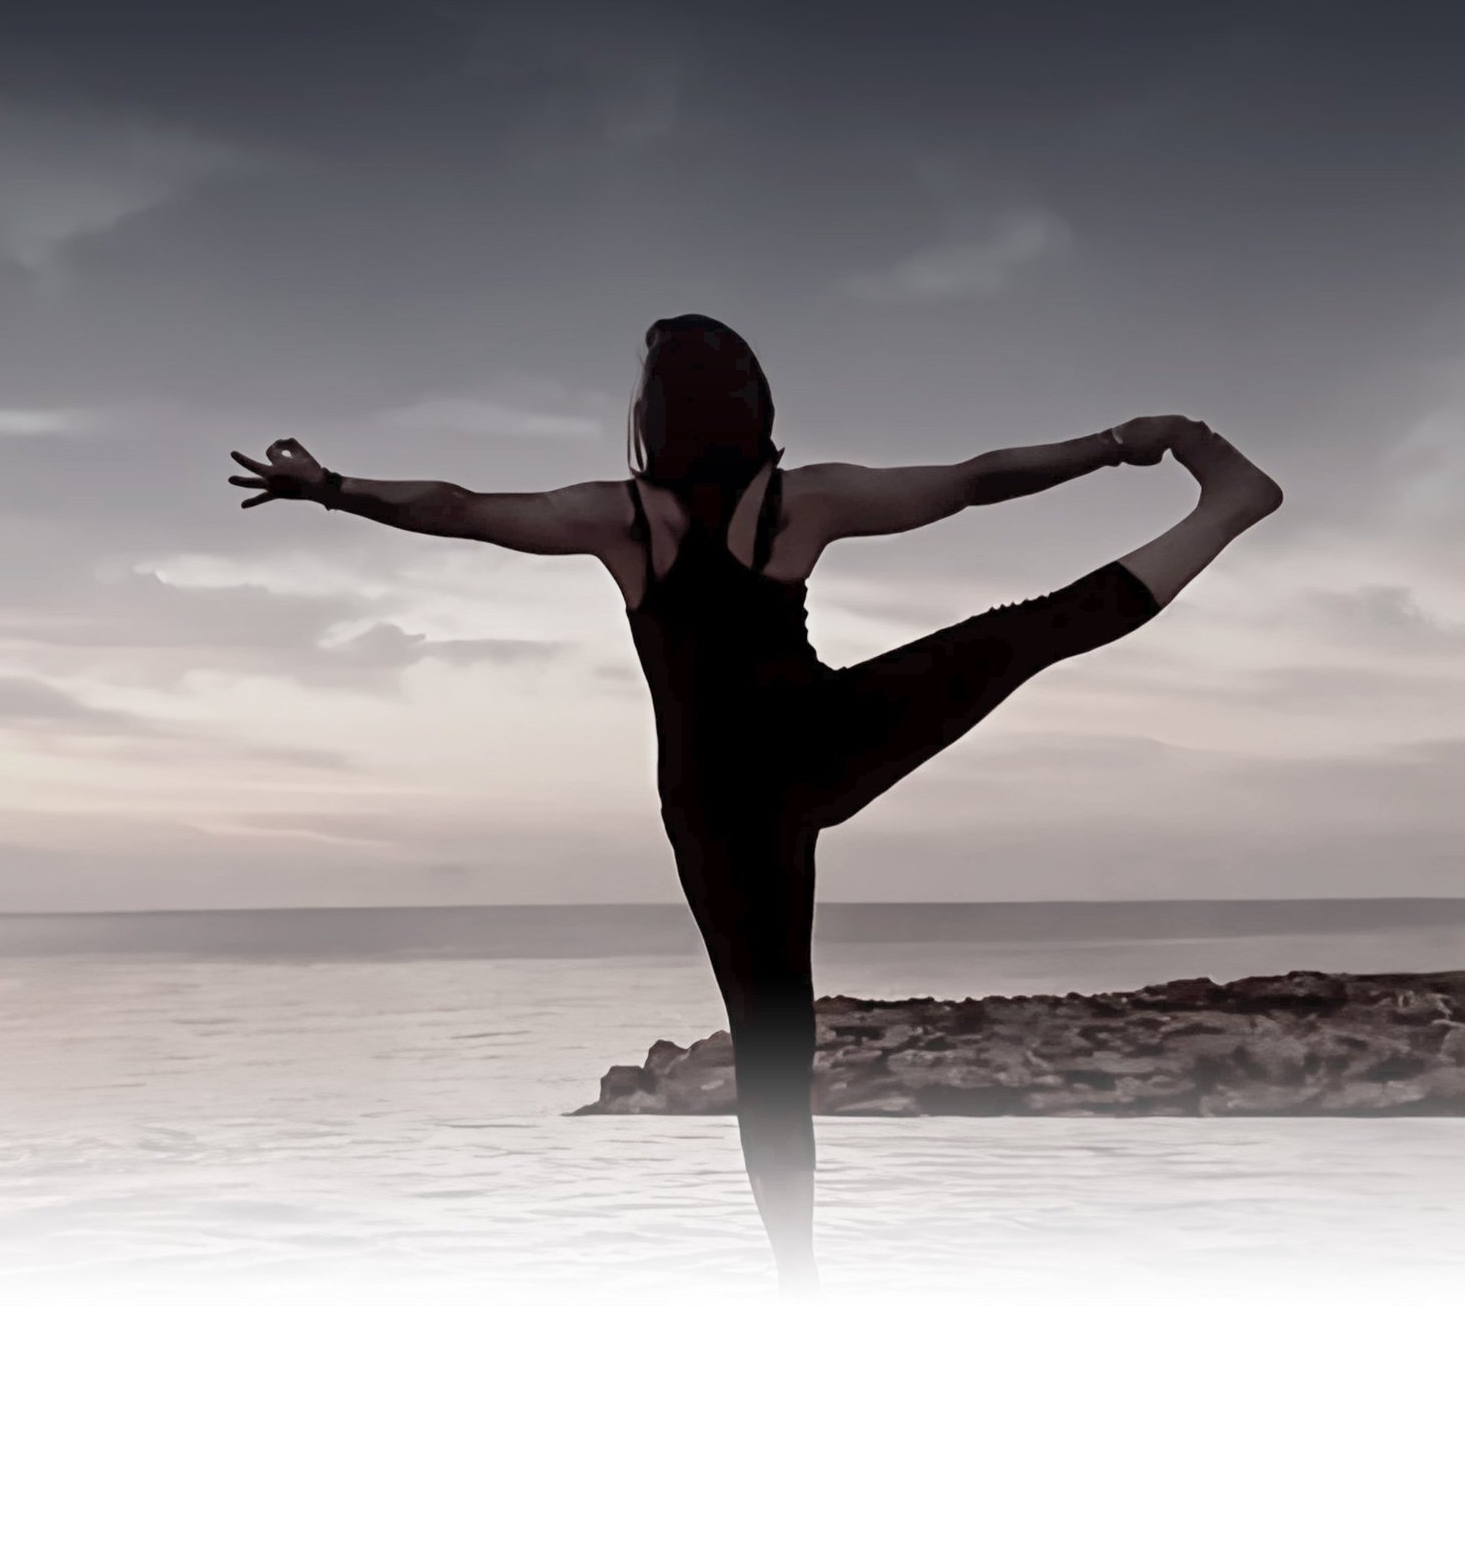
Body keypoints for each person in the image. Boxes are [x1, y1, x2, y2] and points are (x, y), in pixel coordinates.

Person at [228, 313, 1284, 1295]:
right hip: (823, 742)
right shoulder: (801, 500)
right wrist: (1114, 442)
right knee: (1025, 631)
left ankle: (799, 1288)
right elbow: (972, 481)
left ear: (653, 411)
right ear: (754, 400)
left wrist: (332, 488)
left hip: (717, 806)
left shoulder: (622, 519)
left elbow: (456, 509)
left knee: (773, 1051)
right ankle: (1224, 509)